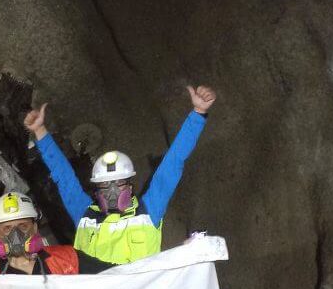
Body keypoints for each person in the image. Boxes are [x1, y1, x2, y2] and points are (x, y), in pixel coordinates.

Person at [22, 85, 217, 264]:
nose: (113, 191)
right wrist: (40, 131)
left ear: (130, 186)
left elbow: (173, 162)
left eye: (119, 183)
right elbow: (64, 178)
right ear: (96, 190)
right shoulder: (85, 217)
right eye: (105, 185)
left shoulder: (148, 213)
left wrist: (198, 114)